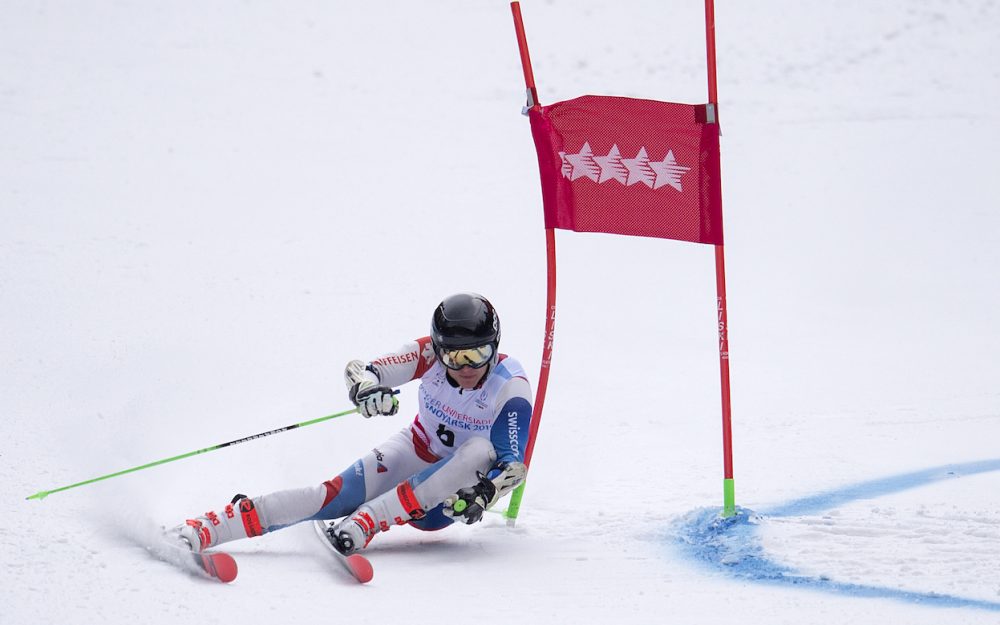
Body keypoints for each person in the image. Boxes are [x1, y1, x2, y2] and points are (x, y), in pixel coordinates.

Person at [169, 293, 532, 556]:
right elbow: (361, 370)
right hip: (414, 450)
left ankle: (369, 520)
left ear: (494, 347)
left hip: (443, 501)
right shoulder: (427, 355)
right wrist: (367, 391)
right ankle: (211, 526)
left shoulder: (510, 385)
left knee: (481, 449)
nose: (466, 366)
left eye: (478, 354)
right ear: (438, 350)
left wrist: (485, 494)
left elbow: (512, 464)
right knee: (330, 496)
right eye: (453, 355)